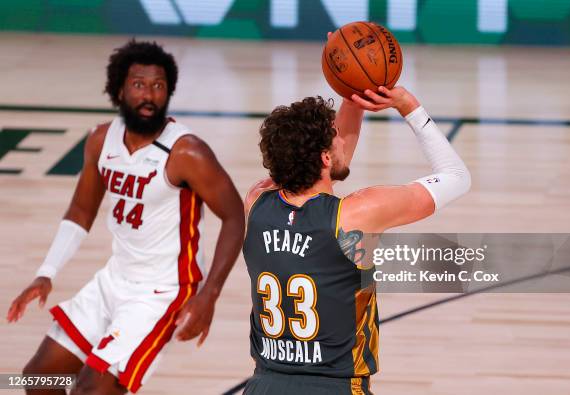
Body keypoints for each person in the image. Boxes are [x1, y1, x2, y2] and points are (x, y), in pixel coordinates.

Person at [6, 40, 245, 394]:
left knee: (91, 389)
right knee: (39, 378)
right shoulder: (102, 140)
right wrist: (46, 273)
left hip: (162, 292)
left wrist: (209, 295)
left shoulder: (186, 152)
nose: (149, 95)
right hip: (114, 280)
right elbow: (81, 210)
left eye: (158, 86)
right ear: (119, 90)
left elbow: (235, 216)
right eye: (138, 84)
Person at [242, 86, 471, 394]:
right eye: (335, 136)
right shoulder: (357, 214)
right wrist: (408, 105)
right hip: (335, 387)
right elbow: (456, 176)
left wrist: (354, 96)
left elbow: (323, 166)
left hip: (264, 384)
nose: (342, 140)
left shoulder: (256, 202)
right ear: (324, 157)